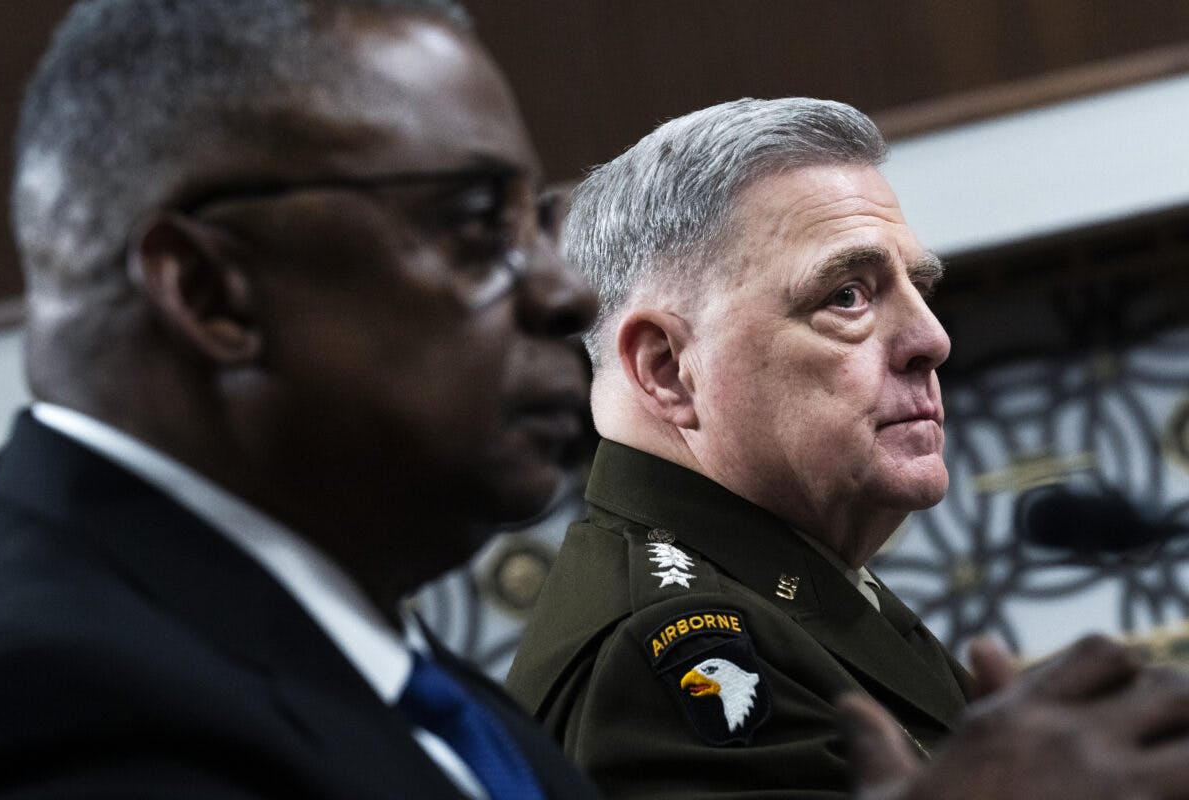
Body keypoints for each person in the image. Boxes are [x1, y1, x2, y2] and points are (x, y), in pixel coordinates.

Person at [0, 0, 602, 797]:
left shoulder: (360, 646)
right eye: (476, 225)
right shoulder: (60, 709)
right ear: (212, 294)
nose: (568, 295)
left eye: (537, 227)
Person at [504, 97, 1189, 798]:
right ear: (667, 369)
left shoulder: (788, 575)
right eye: (848, 296)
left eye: (918, 288)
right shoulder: (669, 651)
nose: (931, 339)